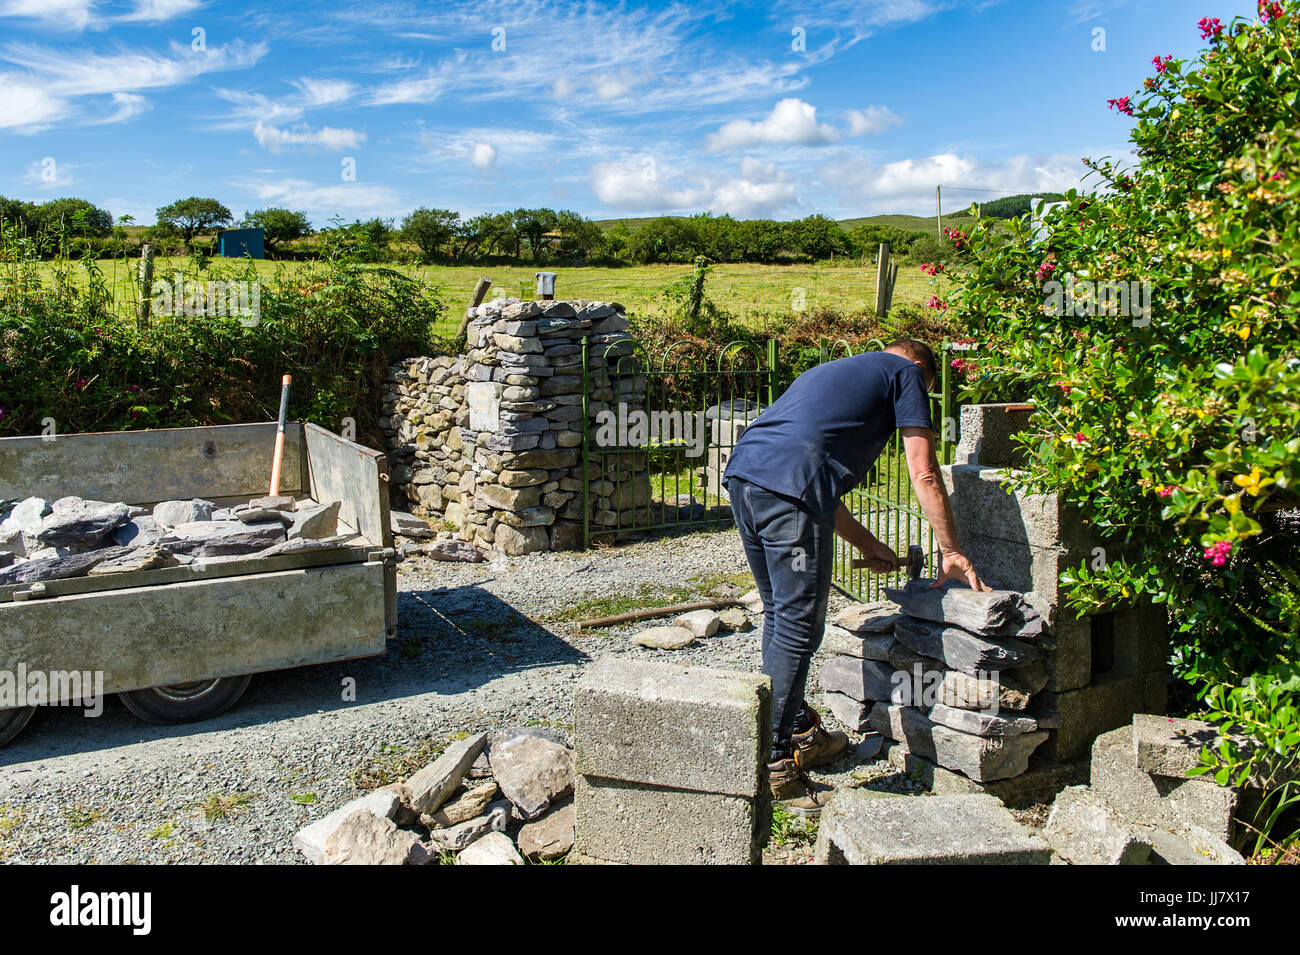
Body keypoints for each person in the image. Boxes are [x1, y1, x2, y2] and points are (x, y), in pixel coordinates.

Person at [723, 339, 988, 815]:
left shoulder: (838, 370)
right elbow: (923, 470)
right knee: (800, 626)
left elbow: (808, 473)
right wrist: (951, 550)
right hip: (786, 490)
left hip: (746, 478)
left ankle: (798, 730)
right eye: (924, 389)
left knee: (782, 618)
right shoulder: (904, 373)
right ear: (918, 368)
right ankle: (774, 765)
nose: (918, 397)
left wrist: (868, 545)